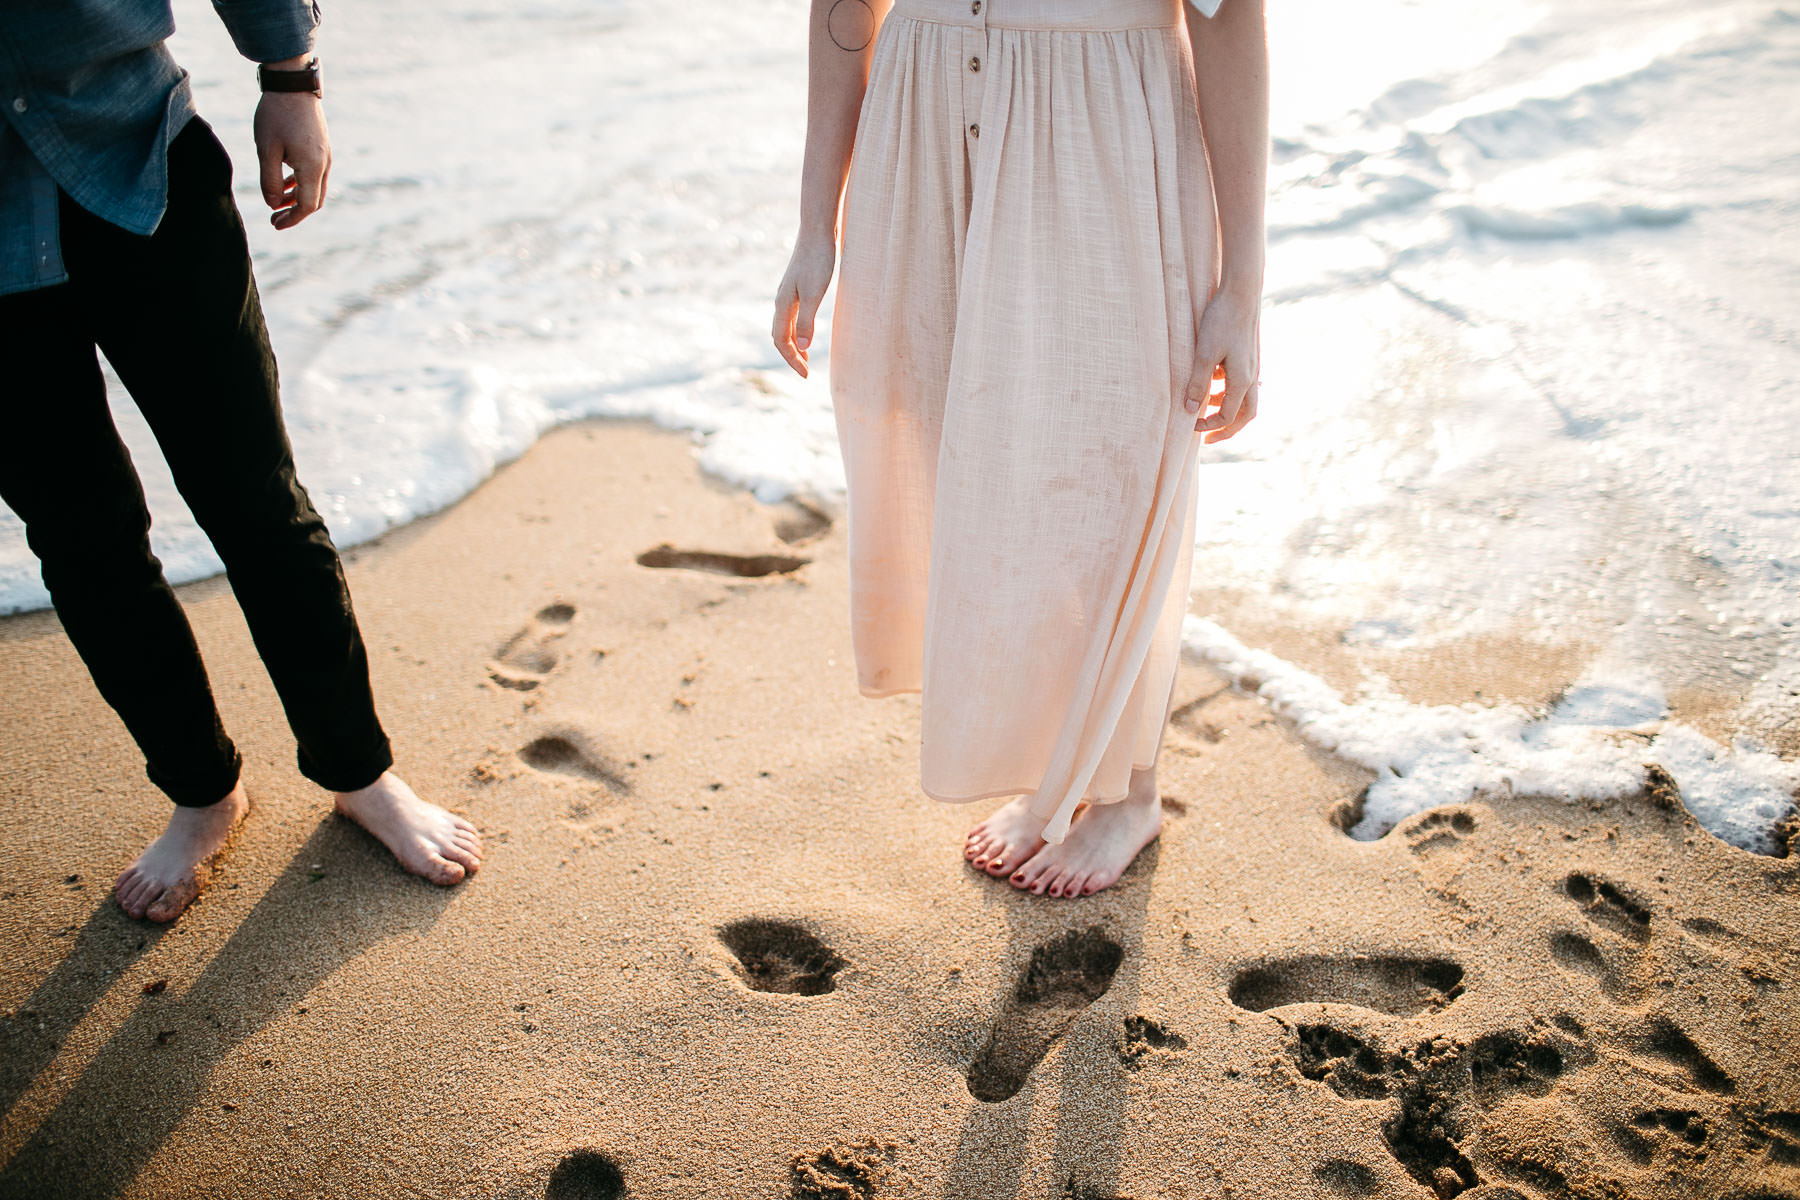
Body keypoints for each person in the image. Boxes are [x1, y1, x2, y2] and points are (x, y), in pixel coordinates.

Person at [0, 1, 482, 923]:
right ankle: (202, 790)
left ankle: (358, 770)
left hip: (136, 148)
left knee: (253, 494)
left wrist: (289, 75)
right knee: (79, 536)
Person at [773, 0, 1266, 897]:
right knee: (952, 454)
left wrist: (1244, 284)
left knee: (1103, 462)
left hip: (1096, 130)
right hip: (916, 132)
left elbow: (1230, 19)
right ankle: (1066, 766)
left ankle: (1127, 788)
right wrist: (818, 223)